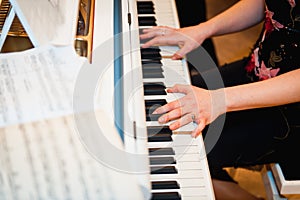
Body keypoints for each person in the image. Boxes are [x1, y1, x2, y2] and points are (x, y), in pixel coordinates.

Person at [140, 0, 300, 199]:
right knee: (159, 108)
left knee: (176, 148)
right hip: (256, 70)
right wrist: (203, 30)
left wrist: (219, 100)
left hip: (291, 111)